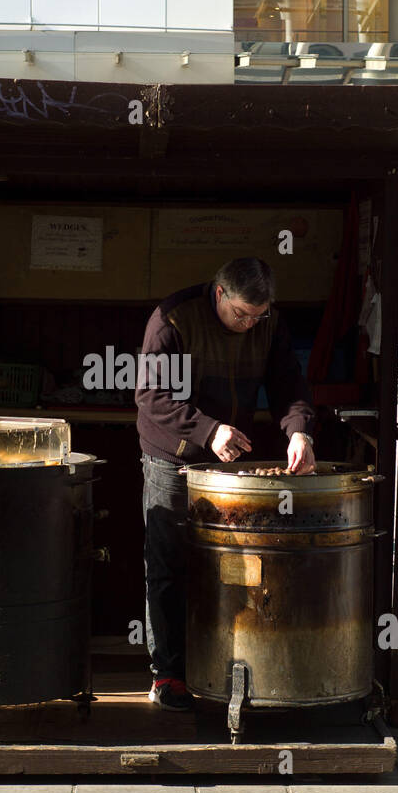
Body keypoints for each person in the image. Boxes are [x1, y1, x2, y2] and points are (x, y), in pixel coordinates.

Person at [134, 257, 316, 711]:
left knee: (232, 567)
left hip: (231, 461)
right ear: (219, 293)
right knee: (169, 566)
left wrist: (299, 429)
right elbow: (152, 397)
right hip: (172, 460)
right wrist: (208, 430)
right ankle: (169, 674)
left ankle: (227, 665)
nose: (249, 324)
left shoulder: (268, 324)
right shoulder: (171, 320)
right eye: (241, 315)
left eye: (259, 316)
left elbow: (286, 381)